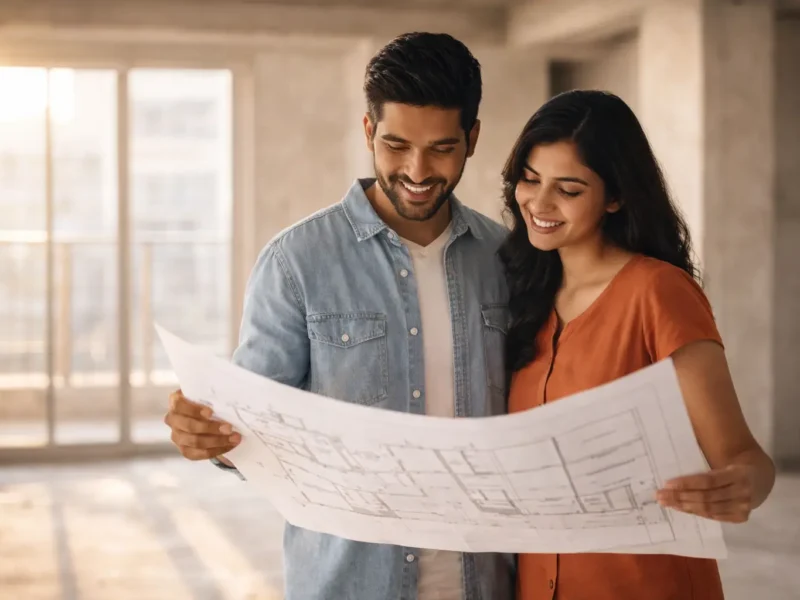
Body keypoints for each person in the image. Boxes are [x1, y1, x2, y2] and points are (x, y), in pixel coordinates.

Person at [163, 32, 515, 600]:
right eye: (396, 145)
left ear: (472, 138)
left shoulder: (507, 259)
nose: (417, 170)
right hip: (349, 585)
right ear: (369, 130)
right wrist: (211, 437)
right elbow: (251, 427)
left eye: (441, 148)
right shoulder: (296, 262)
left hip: (486, 583)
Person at [499, 89, 776, 600]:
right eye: (531, 179)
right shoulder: (519, 293)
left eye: (569, 189)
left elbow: (746, 458)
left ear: (615, 196)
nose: (538, 203)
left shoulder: (658, 292)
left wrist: (739, 487)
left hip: (647, 585)